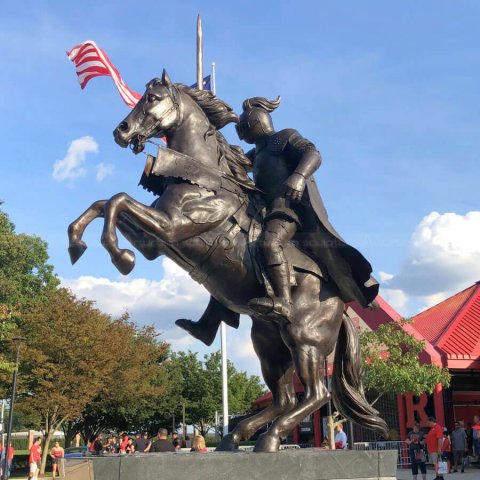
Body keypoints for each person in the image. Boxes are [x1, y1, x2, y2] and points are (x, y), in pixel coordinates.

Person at [234, 96, 379, 322]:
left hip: (287, 211)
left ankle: (283, 301)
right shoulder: (253, 156)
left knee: (270, 243)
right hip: (262, 212)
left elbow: (313, 153)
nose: (241, 134)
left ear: (258, 122)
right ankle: (212, 320)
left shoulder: (283, 138)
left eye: (243, 127)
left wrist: (299, 176)